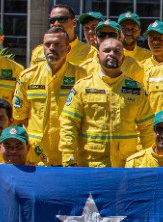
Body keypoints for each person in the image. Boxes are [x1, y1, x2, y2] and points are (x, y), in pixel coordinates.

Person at [59, 34, 155, 168]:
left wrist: (149, 161)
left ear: (123, 58)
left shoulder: (137, 89)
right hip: (91, 165)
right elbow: (68, 124)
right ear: (98, 57)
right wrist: (68, 158)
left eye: (117, 51)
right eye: (107, 51)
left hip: (127, 167)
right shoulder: (82, 88)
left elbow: (148, 128)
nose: (112, 54)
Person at [12, 27, 85, 166]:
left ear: (68, 49)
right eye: (48, 44)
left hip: (68, 155)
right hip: (36, 156)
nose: (52, 48)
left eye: (57, 44)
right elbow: (19, 117)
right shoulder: (28, 77)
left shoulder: (80, 77)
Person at [31, 5, 95, 68]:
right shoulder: (38, 52)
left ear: (74, 23)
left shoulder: (91, 52)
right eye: (52, 21)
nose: (56, 23)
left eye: (61, 19)